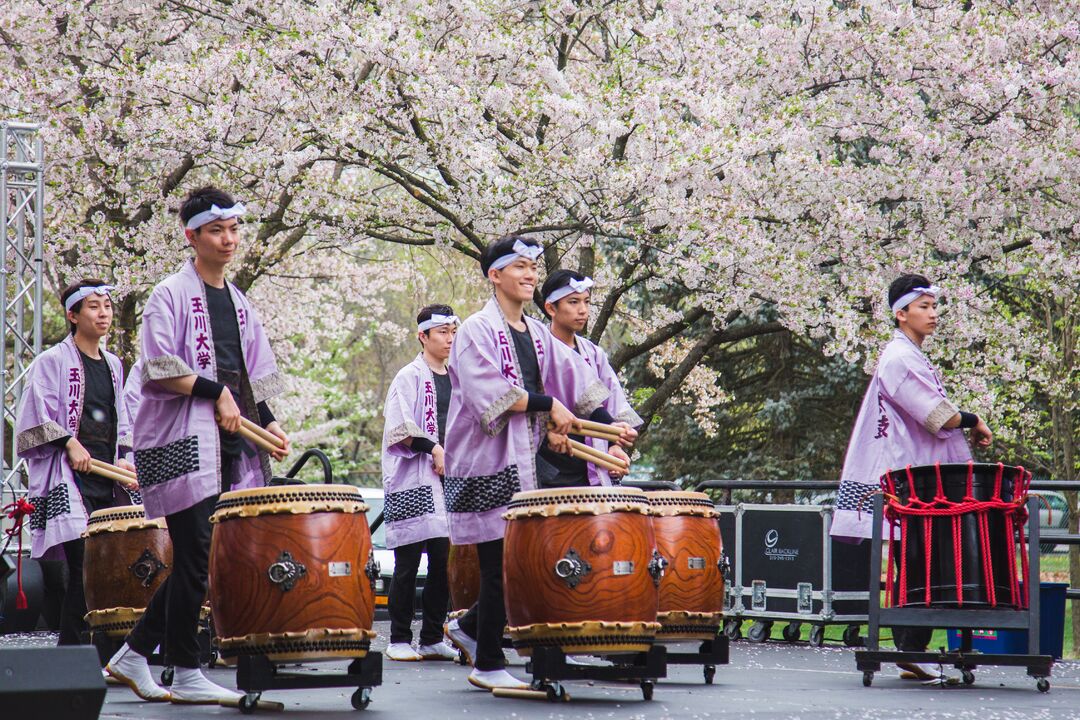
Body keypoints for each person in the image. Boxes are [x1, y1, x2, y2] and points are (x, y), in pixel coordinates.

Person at [106, 186, 290, 704]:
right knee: (195, 556)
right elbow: (160, 366)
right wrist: (216, 393)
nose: (228, 239)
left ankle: (136, 654)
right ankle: (183, 668)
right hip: (182, 440)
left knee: (203, 558)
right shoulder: (169, 294)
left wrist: (269, 421)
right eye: (216, 230)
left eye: (234, 229)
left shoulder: (237, 300)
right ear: (192, 236)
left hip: (227, 441)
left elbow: (251, 373)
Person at [440, 235, 632, 691]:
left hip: (528, 462)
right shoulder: (476, 330)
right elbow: (488, 391)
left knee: (524, 562)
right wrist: (549, 405)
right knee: (499, 565)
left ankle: (490, 639)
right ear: (495, 275)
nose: (529, 274)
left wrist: (610, 428)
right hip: (488, 462)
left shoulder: (537, 333)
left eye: (533, 267)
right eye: (520, 266)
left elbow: (576, 380)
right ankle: (487, 662)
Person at [832, 273, 992, 679]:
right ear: (901, 314)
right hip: (910, 479)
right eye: (923, 307)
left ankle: (911, 648)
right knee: (921, 563)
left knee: (923, 563)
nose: (933, 314)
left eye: (934, 306)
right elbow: (936, 414)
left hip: (916, 476)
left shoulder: (908, 355)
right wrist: (974, 420)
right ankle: (910, 648)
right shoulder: (900, 358)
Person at [15, 279, 139, 648]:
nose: (103, 314)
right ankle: (72, 654)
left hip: (106, 476)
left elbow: (121, 420)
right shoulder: (52, 362)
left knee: (109, 569)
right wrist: (69, 442)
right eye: (93, 307)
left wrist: (124, 458)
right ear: (73, 315)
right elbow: (33, 421)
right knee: (86, 568)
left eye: (107, 306)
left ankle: (96, 653)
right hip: (70, 479)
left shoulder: (114, 365)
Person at [381, 304, 459, 662]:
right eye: (441, 332)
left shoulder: (458, 376)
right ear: (422, 336)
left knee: (444, 563)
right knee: (408, 564)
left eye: (452, 331)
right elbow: (400, 428)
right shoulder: (408, 376)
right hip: (413, 480)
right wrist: (434, 448)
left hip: (450, 482)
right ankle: (398, 638)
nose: (448, 338)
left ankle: (430, 637)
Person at [539, 269, 642, 481]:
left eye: (586, 302)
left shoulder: (594, 354)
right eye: (574, 302)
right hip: (547, 460)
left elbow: (612, 404)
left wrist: (615, 445)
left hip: (588, 461)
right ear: (551, 307)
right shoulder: (538, 349)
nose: (583, 310)